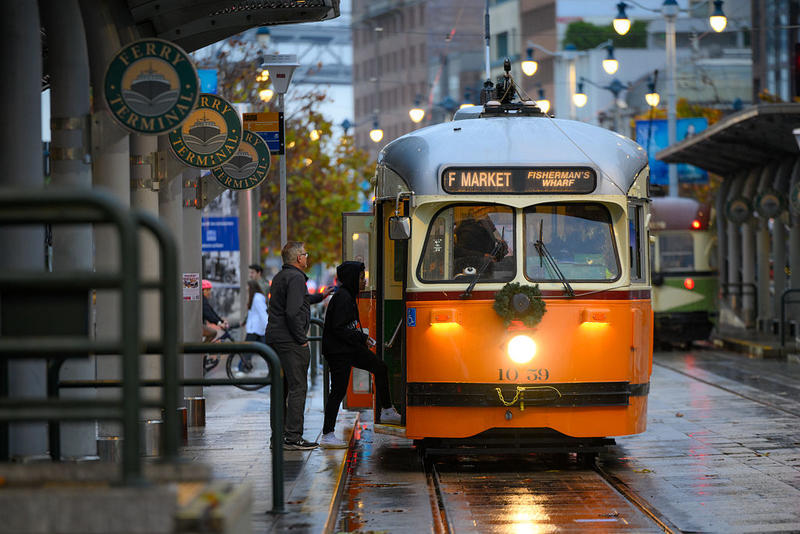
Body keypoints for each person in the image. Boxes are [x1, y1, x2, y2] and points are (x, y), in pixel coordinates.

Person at [319, 261, 401, 449]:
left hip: (348, 347)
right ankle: (327, 434)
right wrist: (361, 337)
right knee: (338, 390)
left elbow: (348, 326)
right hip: (339, 351)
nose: (364, 282)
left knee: (380, 367)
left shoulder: (347, 296)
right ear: (351, 279)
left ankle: (387, 409)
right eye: (361, 278)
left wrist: (363, 338)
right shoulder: (342, 298)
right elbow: (339, 329)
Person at [265, 241, 333, 450]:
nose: (307, 257)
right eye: (305, 254)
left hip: (275, 338)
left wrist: (320, 296)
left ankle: (279, 437)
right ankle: (293, 437)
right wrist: (301, 339)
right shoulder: (295, 278)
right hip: (289, 341)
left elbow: (297, 301)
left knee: (281, 388)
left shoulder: (281, 276)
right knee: (297, 387)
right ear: (298, 258)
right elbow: (292, 312)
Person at [240, 279, 267, 373]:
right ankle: (243, 367)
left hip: (256, 329)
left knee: (248, 349)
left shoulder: (257, 298)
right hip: (255, 328)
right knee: (265, 350)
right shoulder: (255, 297)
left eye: (248, 286)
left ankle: (242, 368)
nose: (247, 288)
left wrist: (267, 326)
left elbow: (262, 313)